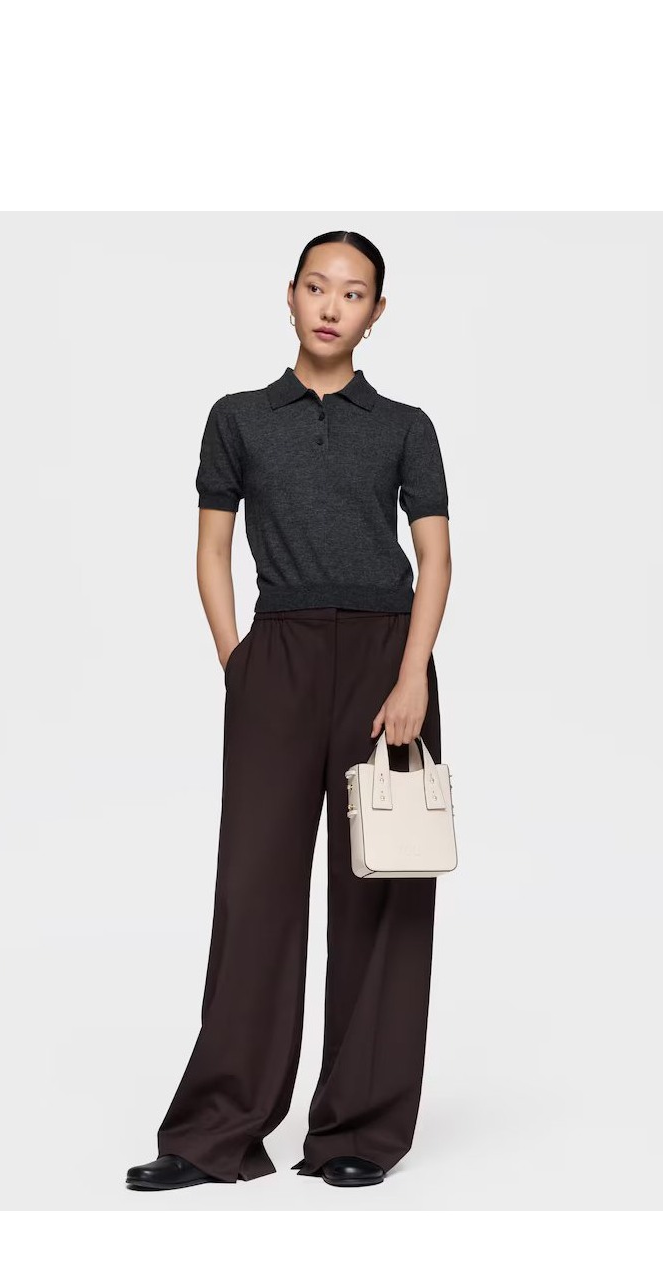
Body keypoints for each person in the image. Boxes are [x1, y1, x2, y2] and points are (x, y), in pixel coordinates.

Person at [126, 230, 452, 1190]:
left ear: (376, 314)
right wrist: (239, 663)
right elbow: (211, 549)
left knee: (382, 890)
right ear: (291, 294)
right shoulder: (237, 418)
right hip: (279, 656)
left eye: (352, 293)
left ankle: (358, 1131)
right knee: (254, 890)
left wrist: (413, 675)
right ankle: (215, 1133)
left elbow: (435, 557)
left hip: (387, 662)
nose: (331, 305)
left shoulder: (405, 426)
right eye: (317, 286)